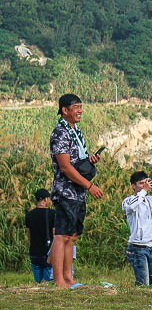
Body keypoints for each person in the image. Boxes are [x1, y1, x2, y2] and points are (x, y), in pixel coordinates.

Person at [48, 93, 104, 289]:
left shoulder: (76, 131)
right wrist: (90, 185)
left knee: (72, 236)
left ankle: (69, 278)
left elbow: (76, 162)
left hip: (78, 191)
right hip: (65, 191)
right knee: (61, 235)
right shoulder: (60, 132)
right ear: (65, 110)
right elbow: (64, 166)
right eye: (76, 107)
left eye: (81, 106)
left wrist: (89, 161)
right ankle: (58, 280)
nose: (80, 110)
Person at [26, 188, 55, 283]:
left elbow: (29, 234)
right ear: (46, 199)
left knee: (37, 282)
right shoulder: (52, 214)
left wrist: (31, 244)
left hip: (34, 251)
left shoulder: (29, 215)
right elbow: (54, 234)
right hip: (48, 251)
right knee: (48, 282)